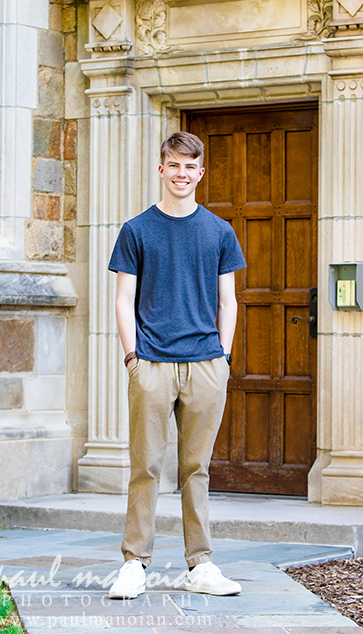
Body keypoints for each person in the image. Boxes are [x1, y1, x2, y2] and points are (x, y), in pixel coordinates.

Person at [107, 131, 246, 599]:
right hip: (151, 364)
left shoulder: (220, 232)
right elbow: (124, 299)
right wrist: (133, 357)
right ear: (162, 170)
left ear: (200, 173)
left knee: (196, 467)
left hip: (206, 364)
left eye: (191, 166)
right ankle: (134, 563)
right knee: (144, 464)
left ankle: (200, 564)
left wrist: (223, 359)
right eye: (174, 165)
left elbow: (229, 301)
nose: (182, 173)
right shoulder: (137, 230)